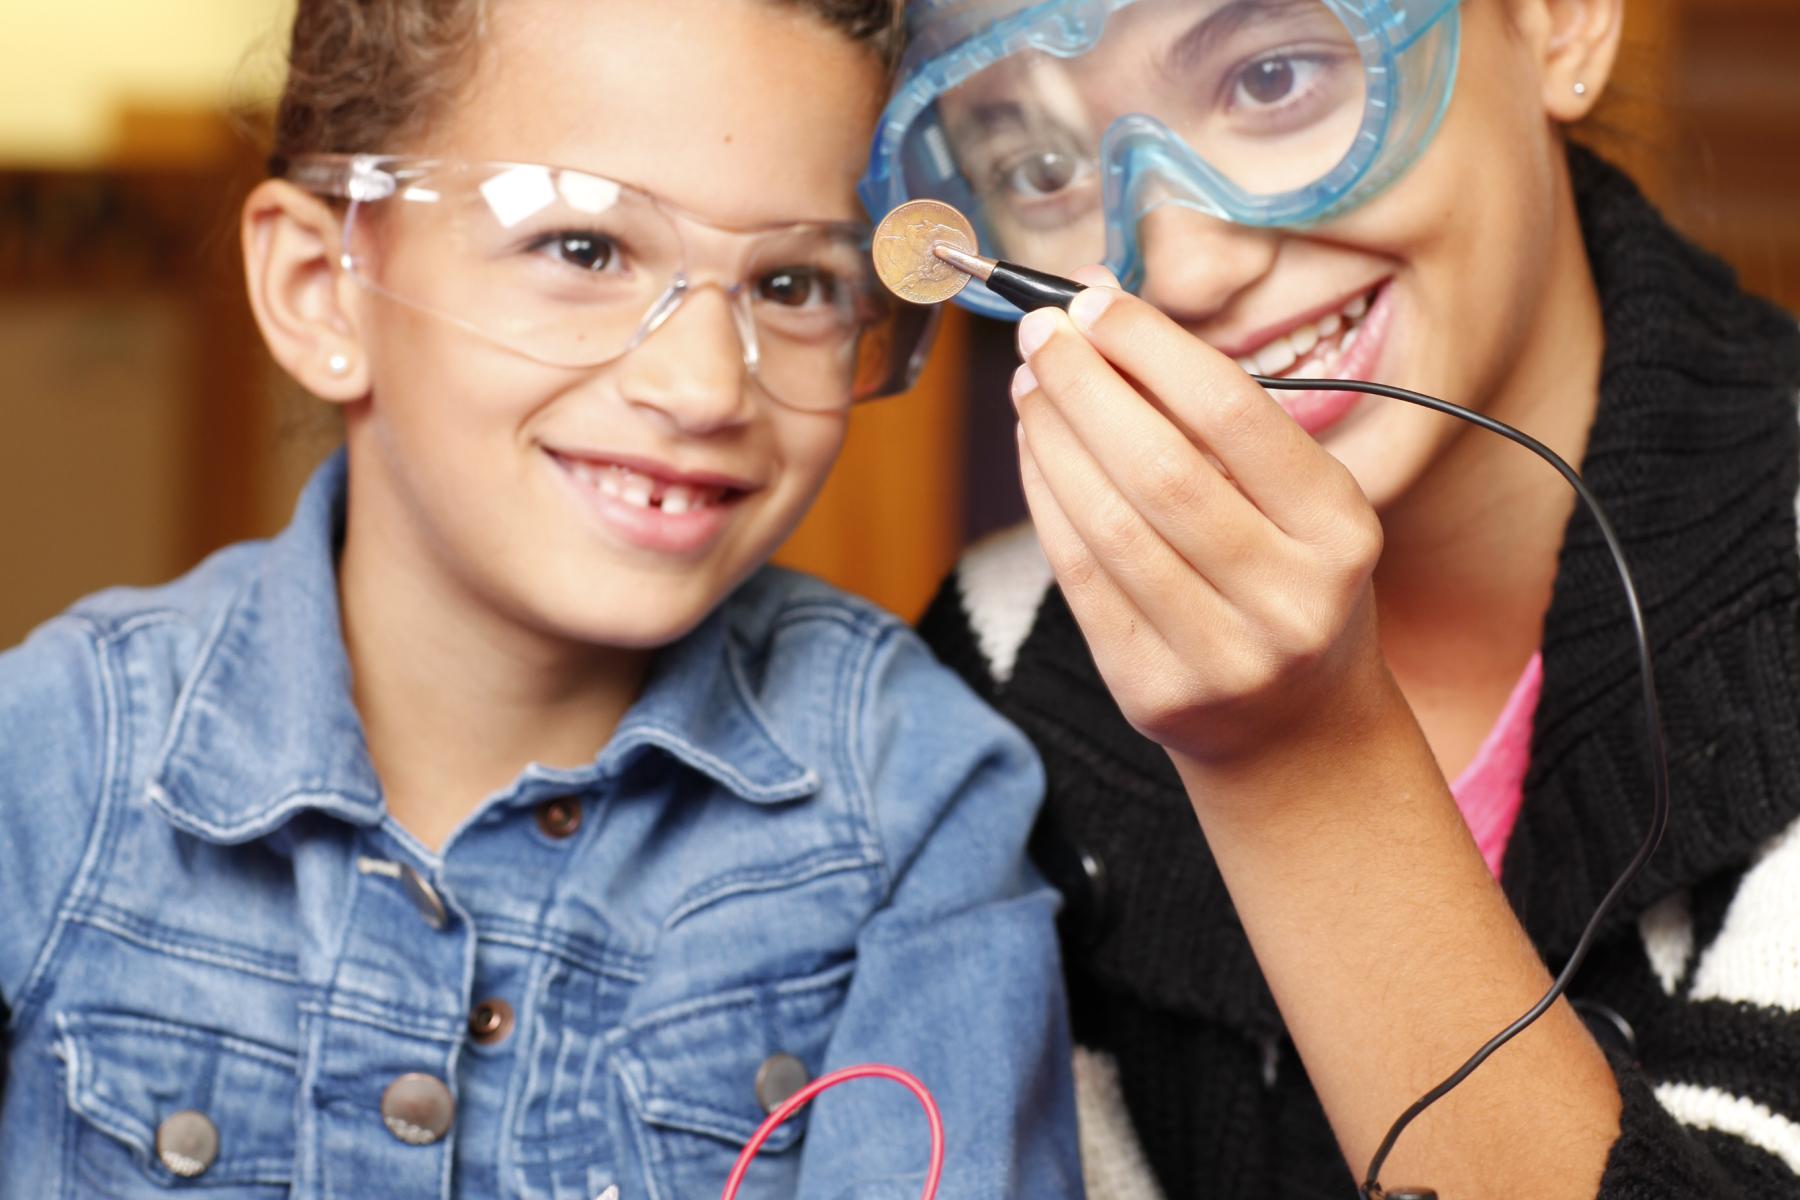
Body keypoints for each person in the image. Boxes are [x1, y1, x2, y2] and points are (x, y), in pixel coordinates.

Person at [0, 2, 1085, 1196]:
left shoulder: (919, 795)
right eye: (584, 250)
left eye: (793, 282)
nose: (705, 384)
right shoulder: (50, 764)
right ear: (322, 285)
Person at [872, 0, 1800, 1195]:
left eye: (1272, 78)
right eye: (1041, 165)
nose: (1189, 263)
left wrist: (1295, 758)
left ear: (1561, 24)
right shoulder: (995, 668)